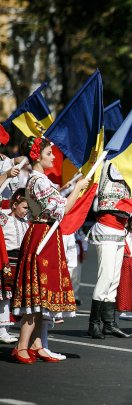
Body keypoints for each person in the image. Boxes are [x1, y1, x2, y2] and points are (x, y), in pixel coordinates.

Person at [11, 137, 89, 364]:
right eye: (49, 154)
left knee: (42, 292)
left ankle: (36, 344)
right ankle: (21, 345)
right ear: (37, 156)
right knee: (36, 292)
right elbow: (61, 210)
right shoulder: (39, 181)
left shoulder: (41, 180)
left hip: (46, 234)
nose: (54, 157)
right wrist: (78, 189)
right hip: (41, 234)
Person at [86, 160, 132, 338]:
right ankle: (94, 323)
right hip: (107, 226)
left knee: (114, 278)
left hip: (120, 228)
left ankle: (108, 322)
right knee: (105, 277)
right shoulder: (112, 163)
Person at [1, 188, 26, 344]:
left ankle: (7, 328)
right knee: (4, 295)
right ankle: (2, 330)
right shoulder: (4, 218)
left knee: (14, 297)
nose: (26, 211)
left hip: (20, 260)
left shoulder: (26, 223)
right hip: (7, 260)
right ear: (15, 204)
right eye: (24, 207)